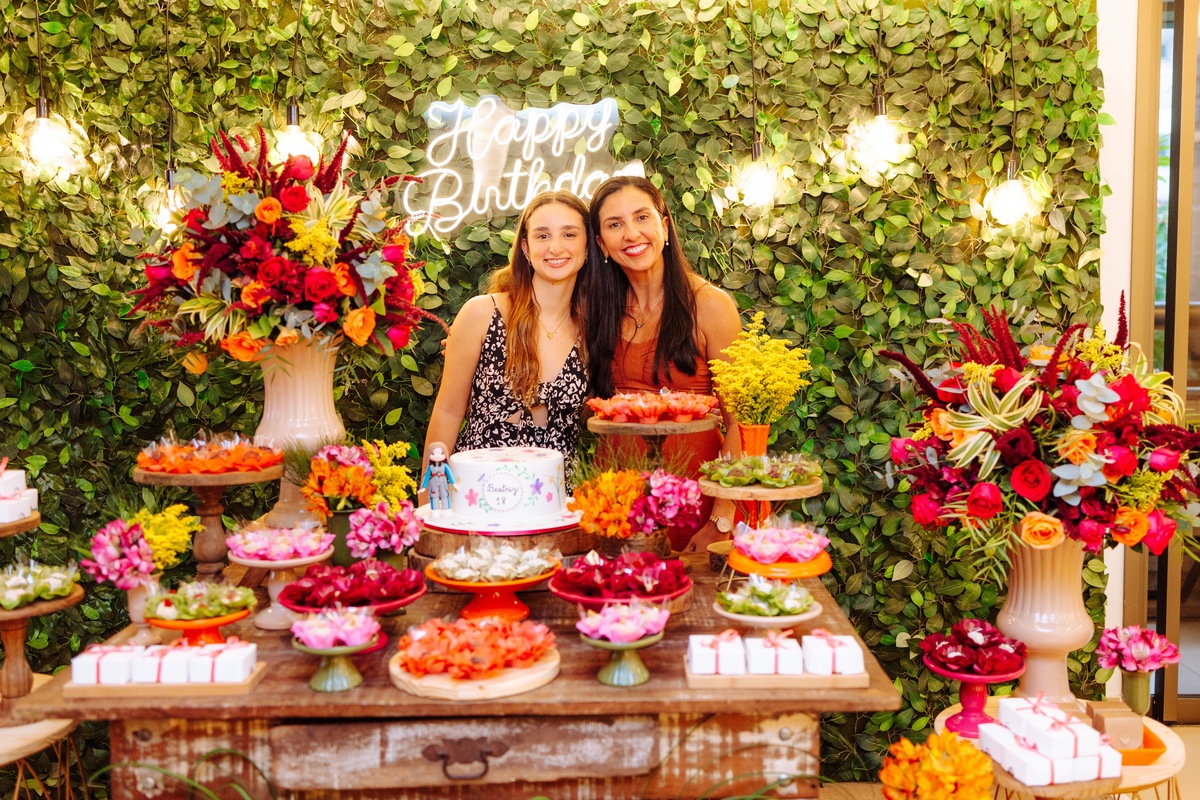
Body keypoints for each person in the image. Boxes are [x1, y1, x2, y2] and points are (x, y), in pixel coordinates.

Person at [583, 175, 742, 552]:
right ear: (602, 244)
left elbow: (743, 423)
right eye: (615, 225)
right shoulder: (595, 310)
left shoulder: (710, 305)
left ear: (665, 225)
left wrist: (723, 516)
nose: (631, 234)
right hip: (618, 504)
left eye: (642, 217)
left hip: (699, 501)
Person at [423, 190, 598, 483]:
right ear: (526, 247)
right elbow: (447, 412)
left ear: (588, 246)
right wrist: (431, 497)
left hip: (555, 502)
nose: (556, 247)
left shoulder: (594, 331)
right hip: (477, 493)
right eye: (543, 236)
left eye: (569, 235)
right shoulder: (481, 314)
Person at [420, 441, 457, 516]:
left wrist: (453, 483)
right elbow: (426, 477)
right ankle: (435, 510)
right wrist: (424, 487)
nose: (437, 456)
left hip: (443, 482)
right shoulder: (430, 467)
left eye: (441, 453)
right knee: (434, 496)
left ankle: (446, 509)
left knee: (445, 495)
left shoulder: (445, 466)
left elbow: (450, 475)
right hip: (434, 483)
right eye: (433, 454)